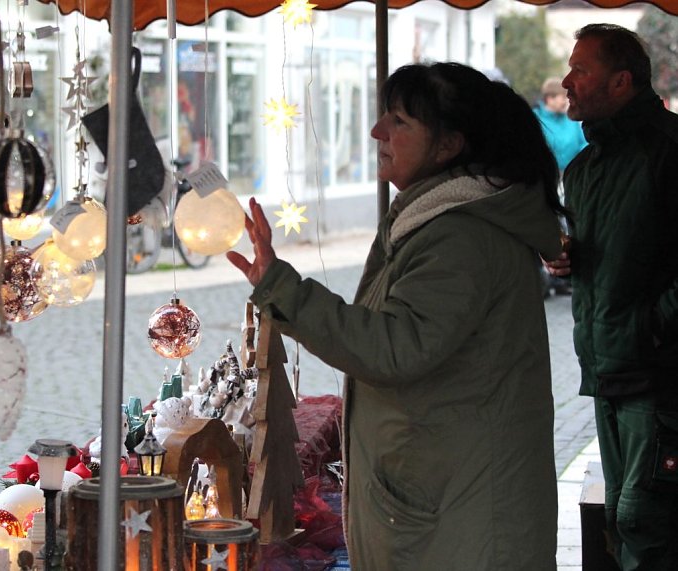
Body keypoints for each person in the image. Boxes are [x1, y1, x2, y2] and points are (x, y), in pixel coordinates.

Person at [228, 62, 566, 569]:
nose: (377, 132)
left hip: (460, 513)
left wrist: (283, 289)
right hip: (448, 492)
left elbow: (393, 348)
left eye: (400, 122)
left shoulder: (461, 236)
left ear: (449, 146)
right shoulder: (438, 219)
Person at [546, 23, 678, 570]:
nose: (567, 80)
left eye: (581, 69)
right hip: (608, 374)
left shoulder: (669, 151)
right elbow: (605, 259)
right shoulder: (584, 169)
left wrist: (654, 327)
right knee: (622, 531)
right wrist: (566, 258)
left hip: (660, 376)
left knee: (645, 525)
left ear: (621, 80)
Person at [534, 77, 587, 297]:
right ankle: (546, 271)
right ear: (549, 98)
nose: (565, 101)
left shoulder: (572, 120)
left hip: (571, 178)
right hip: (548, 178)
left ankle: (566, 269)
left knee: (570, 222)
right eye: (559, 97)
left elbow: (583, 144)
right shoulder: (536, 119)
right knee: (549, 221)